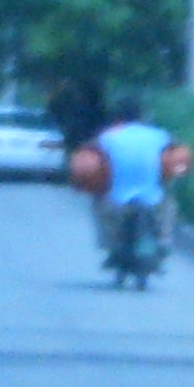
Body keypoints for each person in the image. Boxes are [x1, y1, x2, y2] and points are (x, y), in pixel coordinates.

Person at [79, 99, 185, 272]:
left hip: (116, 198)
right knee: (169, 205)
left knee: (97, 204)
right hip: (152, 196)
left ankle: (110, 244)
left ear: (118, 118)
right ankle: (164, 239)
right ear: (144, 117)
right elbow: (179, 150)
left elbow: (88, 151)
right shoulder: (159, 135)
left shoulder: (108, 136)